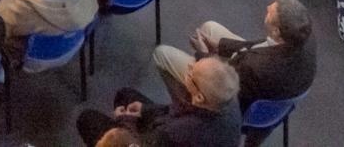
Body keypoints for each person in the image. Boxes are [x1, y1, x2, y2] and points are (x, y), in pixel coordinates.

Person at [151, 0, 315, 119]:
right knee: (210, 28)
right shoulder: (304, 37)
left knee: (162, 54)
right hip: (270, 84)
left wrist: (203, 54)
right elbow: (259, 46)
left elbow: (224, 80)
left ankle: (185, 108)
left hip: (237, 101)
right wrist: (218, 46)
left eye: (271, 11)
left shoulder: (255, 67)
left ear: (276, 31)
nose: (267, 7)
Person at [78, 57, 241, 147]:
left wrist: (126, 120)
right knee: (126, 95)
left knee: (88, 119)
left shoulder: (174, 133)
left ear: (199, 97)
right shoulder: (228, 101)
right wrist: (146, 110)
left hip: (156, 140)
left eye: (192, 73)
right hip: (169, 128)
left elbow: (139, 144)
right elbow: (177, 109)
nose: (188, 68)